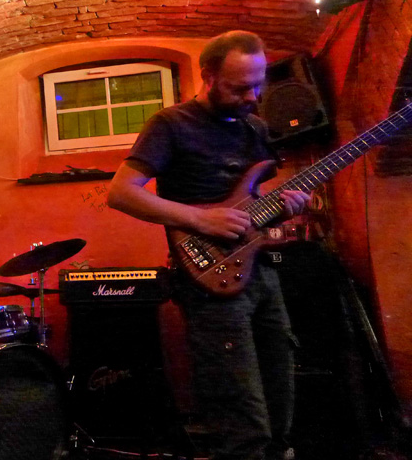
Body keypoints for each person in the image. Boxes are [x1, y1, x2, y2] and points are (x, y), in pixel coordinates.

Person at [107, 31, 310, 460]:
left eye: (257, 85)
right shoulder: (171, 124)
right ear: (209, 76)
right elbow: (121, 193)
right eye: (239, 88)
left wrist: (283, 207)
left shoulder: (255, 128)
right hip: (207, 278)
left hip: (261, 271)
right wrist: (201, 218)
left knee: (280, 394)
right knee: (240, 408)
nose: (252, 97)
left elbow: (250, 207)